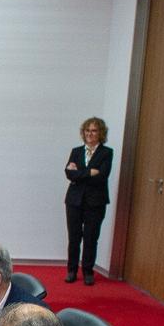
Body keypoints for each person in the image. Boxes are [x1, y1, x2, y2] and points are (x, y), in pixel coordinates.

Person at [64, 115, 113, 286]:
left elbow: (102, 176)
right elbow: (68, 173)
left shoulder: (106, 153)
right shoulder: (76, 151)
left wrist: (78, 174)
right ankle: (71, 270)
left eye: (94, 131)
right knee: (74, 237)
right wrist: (89, 172)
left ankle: (88, 271)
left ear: (101, 133)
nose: (90, 134)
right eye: (87, 130)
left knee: (91, 238)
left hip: (96, 201)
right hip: (74, 200)